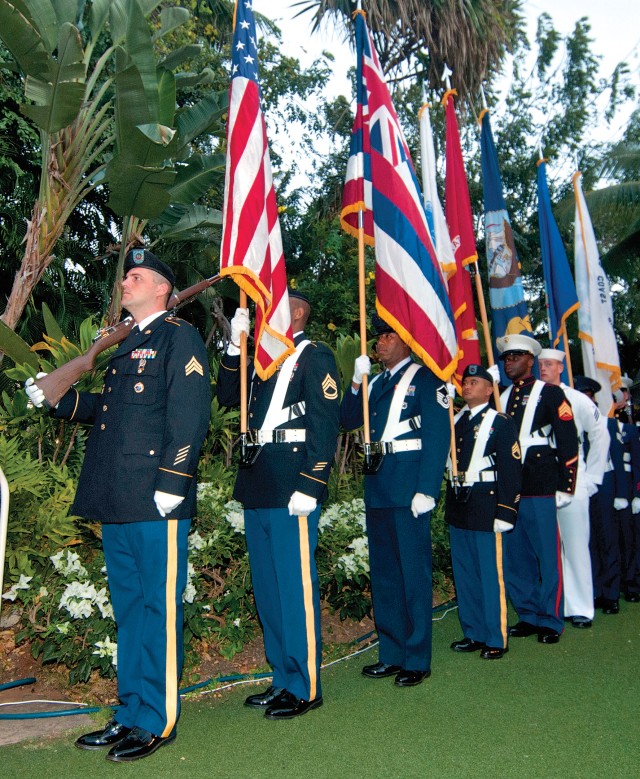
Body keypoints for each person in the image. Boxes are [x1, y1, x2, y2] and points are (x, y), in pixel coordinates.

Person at [25, 249, 211, 762]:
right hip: (118, 496)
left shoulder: (179, 337)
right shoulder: (125, 342)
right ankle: (129, 712)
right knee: (129, 612)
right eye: (125, 275)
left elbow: (191, 413)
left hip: (156, 497)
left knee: (158, 610)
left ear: (161, 290)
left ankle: (156, 720)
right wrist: (56, 397)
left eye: (136, 276)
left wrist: (175, 478)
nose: (124, 282)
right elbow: (108, 411)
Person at [216, 290, 340, 719]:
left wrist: (313, 482)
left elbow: (325, 425)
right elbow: (228, 396)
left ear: (299, 312)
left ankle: (305, 686)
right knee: (268, 591)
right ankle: (282, 677)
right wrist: (235, 345)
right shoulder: (261, 358)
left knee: (294, 588)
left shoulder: (315, 357)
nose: (263, 313)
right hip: (258, 482)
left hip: (293, 486)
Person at [340, 314, 450, 686]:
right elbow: (347, 418)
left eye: (388, 336)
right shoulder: (376, 382)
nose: (380, 343)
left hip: (409, 489)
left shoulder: (426, 378)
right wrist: (356, 382)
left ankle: (416, 658)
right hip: (379, 486)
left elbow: (437, 436)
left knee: (413, 575)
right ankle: (391, 652)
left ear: (407, 341)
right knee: (385, 576)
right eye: (379, 337)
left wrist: (428, 489)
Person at [496, 334, 578, 644]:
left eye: (515, 357)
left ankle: (551, 618)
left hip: (541, 482)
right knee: (516, 557)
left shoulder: (551, 393)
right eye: (506, 358)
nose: (509, 362)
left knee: (547, 554)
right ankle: (528, 614)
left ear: (531, 360)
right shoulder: (502, 397)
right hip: (510, 486)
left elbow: (568, 438)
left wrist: (566, 484)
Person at [446, 364, 522, 660]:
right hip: (460, 503)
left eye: (475, 382)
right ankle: (474, 632)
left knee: (490, 575)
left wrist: (507, 510)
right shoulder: (456, 421)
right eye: (465, 382)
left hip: (487, 505)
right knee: (465, 574)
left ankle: (495, 636)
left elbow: (512, 470)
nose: (467, 386)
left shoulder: (500, 422)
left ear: (490, 390)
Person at [538, 350, 609, 628]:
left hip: (573, 477)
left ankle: (581, 607)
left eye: (549, 364)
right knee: (547, 547)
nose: (543, 369)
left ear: (561, 367)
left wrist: (592, 477)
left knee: (576, 543)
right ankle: (555, 604)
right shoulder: (536, 397)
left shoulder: (577, 399)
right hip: (541, 479)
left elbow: (599, 434)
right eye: (540, 364)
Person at [574, 376, 626, 615]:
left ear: (593, 400)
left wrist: (622, 493)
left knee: (607, 539)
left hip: (604, 485)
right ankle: (593, 592)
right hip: (579, 486)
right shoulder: (570, 423)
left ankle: (611, 593)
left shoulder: (607, 424)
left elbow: (617, 459)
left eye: (588, 397)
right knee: (587, 541)